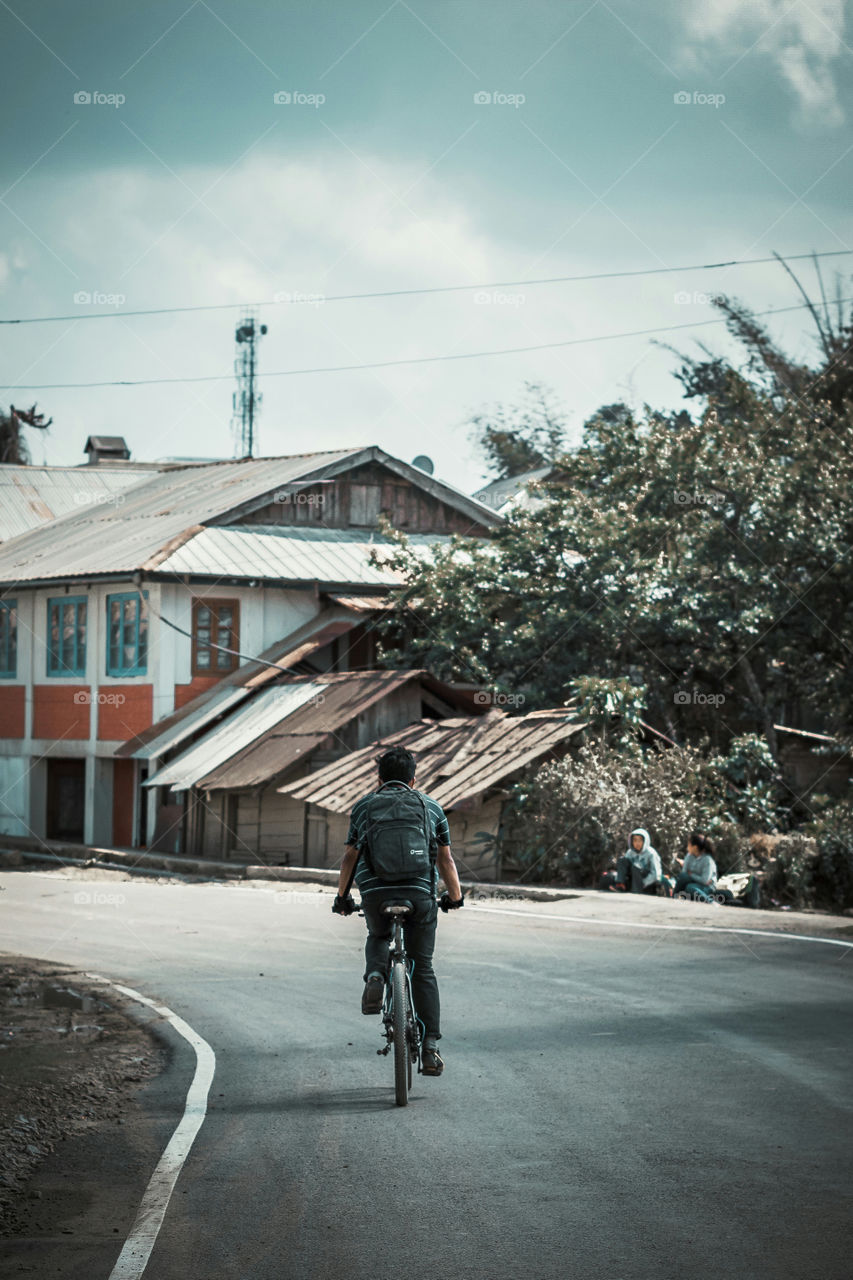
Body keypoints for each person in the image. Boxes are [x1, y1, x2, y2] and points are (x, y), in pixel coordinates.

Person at [332, 745, 464, 1077]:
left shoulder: (364, 807)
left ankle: (376, 976)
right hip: (419, 895)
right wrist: (455, 897)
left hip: (376, 893)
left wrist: (342, 897)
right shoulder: (431, 807)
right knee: (423, 968)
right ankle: (430, 1048)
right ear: (413, 779)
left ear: (379, 779)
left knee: (378, 935)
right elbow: (445, 859)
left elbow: (349, 857)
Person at [611, 827, 663, 894]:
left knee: (636, 866)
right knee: (622, 860)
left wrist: (644, 883)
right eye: (635, 840)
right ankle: (620, 885)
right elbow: (624, 868)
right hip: (633, 879)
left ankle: (636, 892)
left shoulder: (651, 854)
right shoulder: (630, 852)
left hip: (646, 883)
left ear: (645, 841)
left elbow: (655, 873)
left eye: (640, 840)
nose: (637, 843)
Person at [672, 832, 718, 903]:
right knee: (683, 878)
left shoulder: (707, 860)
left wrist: (691, 874)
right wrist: (690, 875)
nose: (687, 847)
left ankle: (710, 902)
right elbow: (684, 873)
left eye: (689, 845)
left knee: (690, 887)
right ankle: (673, 898)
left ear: (695, 847)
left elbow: (704, 881)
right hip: (694, 882)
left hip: (707, 887)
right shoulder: (689, 856)